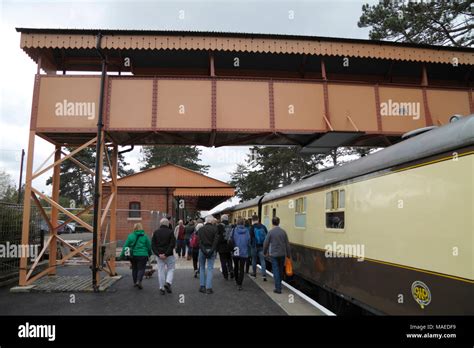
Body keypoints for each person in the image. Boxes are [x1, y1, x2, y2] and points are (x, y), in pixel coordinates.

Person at [120, 223, 152, 290]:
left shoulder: (130, 236)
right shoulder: (145, 236)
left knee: (134, 268)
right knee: (141, 269)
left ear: (134, 228)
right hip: (143, 255)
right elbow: (149, 247)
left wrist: (121, 256)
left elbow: (125, 246)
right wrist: (150, 253)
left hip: (133, 255)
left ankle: (135, 282)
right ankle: (139, 281)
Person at [263, 216, 291, 294]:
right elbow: (287, 244)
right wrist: (288, 254)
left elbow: (266, 243)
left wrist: (264, 252)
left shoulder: (270, 232)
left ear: (272, 223)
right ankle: (279, 284)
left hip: (274, 254)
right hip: (282, 254)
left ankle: (278, 288)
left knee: (275, 270)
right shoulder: (283, 232)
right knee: (281, 269)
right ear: (279, 222)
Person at [152, 218, 177, 295]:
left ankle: (161, 288)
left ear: (160, 224)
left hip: (159, 255)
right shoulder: (171, 232)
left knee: (161, 271)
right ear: (167, 224)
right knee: (171, 269)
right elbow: (172, 244)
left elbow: (153, 245)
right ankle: (168, 282)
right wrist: (166, 254)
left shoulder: (156, 232)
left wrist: (158, 254)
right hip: (169, 255)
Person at [198, 215, 219, 294]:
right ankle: (209, 288)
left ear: (206, 221)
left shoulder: (200, 229)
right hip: (211, 250)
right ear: (211, 221)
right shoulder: (215, 229)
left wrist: (204, 251)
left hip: (202, 251)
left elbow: (199, 242)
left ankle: (202, 286)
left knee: (202, 267)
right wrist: (211, 251)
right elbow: (215, 242)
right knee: (210, 268)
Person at [231, 217, 250, 291]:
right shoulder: (247, 231)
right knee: (242, 268)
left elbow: (230, 239)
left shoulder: (233, 230)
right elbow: (249, 241)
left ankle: (236, 280)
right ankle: (240, 284)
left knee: (236, 266)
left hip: (236, 250)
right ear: (243, 223)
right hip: (244, 251)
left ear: (237, 223)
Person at [249, 214, 268, 281]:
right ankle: (264, 276)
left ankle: (254, 274)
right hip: (262, 246)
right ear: (258, 219)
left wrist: (250, 245)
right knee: (262, 260)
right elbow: (267, 236)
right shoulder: (263, 227)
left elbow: (250, 238)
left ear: (252, 220)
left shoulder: (252, 227)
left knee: (254, 260)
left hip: (254, 246)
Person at [216, 214, 234, 280]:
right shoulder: (231, 226)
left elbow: (217, 237)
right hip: (229, 246)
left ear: (222, 219)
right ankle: (231, 270)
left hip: (222, 247)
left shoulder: (219, 226)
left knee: (223, 261)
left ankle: (225, 275)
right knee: (229, 260)